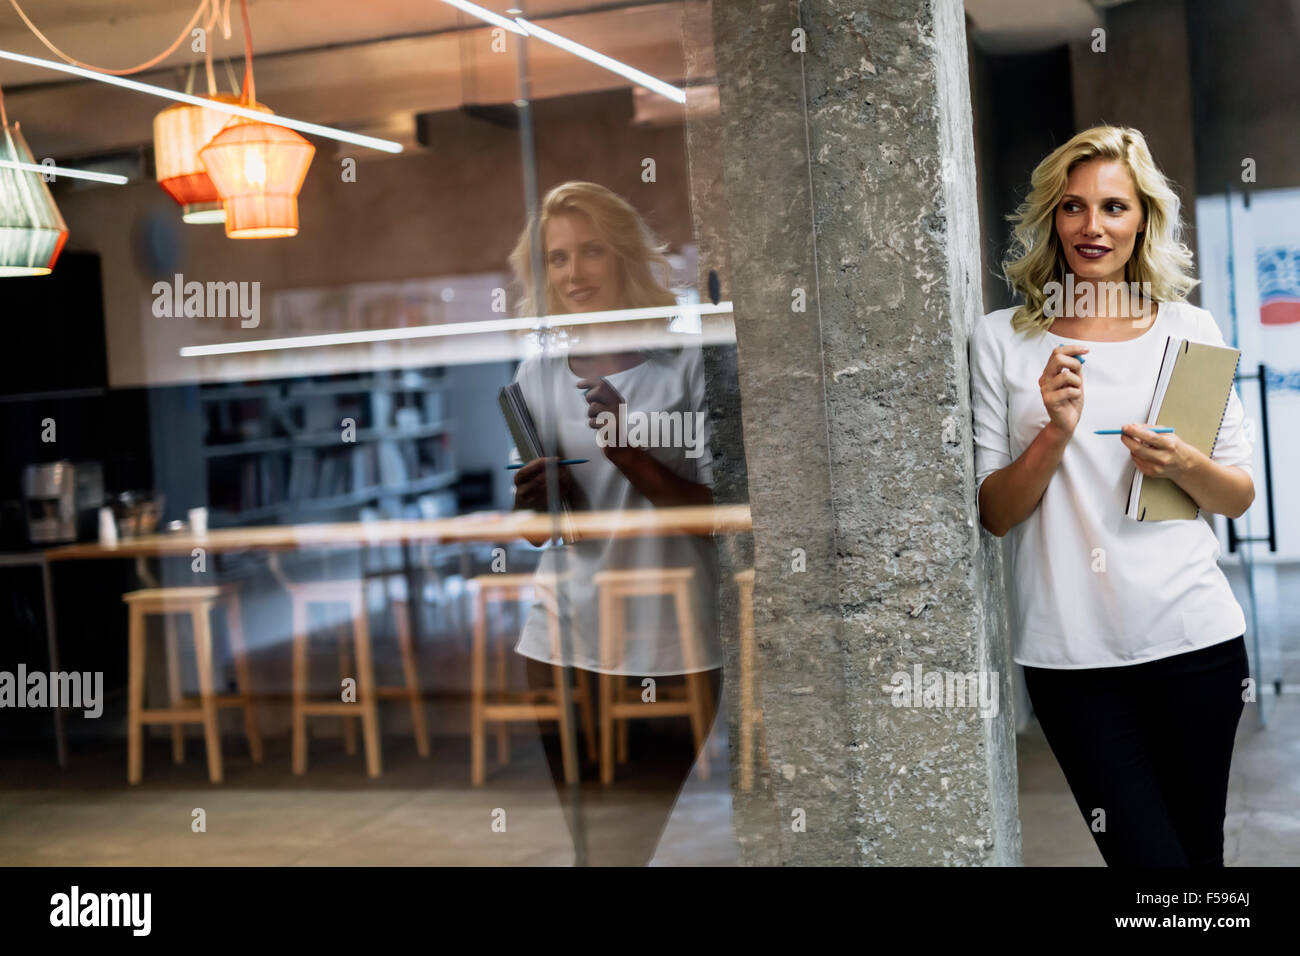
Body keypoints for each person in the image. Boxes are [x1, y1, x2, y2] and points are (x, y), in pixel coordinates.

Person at [970, 126, 1255, 867]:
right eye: (1072, 207)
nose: (1091, 226)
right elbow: (996, 514)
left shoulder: (1190, 330)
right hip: (1072, 664)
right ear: (1051, 220)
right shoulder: (1002, 341)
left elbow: (1236, 497)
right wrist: (1053, 433)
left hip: (1196, 644)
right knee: (1147, 865)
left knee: (1196, 865)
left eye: (1113, 207)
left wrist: (1184, 461)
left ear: (1143, 221)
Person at [504, 181, 721, 866]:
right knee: (595, 847)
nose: (573, 273)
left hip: (670, 645)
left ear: (624, 256)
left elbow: (716, 520)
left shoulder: (689, 366)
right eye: (558, 258)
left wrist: (626, 450)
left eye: (590, 251)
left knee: (625, 842)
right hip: (558, 640)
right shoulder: (536, 373)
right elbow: (541, 534)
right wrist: (536, 500)